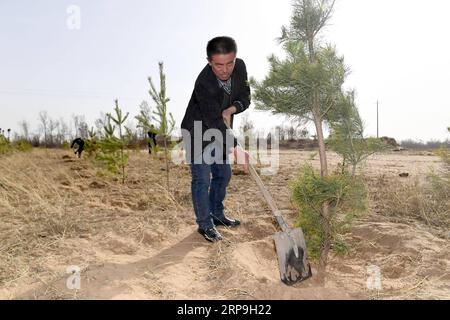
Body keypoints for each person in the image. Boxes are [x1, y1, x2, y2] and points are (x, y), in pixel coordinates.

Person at [181, 36, 250, 243]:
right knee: (202, 179)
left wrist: (232, 108)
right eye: (218, 65)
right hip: (197, 131)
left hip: (220, 128)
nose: (225, 69)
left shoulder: (240, 67)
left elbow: (245, 96)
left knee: (223, 174)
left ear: (235, 59)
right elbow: (212, 119)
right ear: (209, 61)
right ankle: (205, 224)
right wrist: (237, 148)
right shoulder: (204, 83)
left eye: (230, 63)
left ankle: (217, 215)